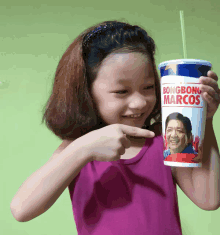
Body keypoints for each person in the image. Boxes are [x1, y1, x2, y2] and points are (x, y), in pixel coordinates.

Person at [10, 20, 220, 235]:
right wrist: (84, 148)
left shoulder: (164, 140)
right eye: (121, 91)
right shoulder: (77, 149)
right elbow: (21, 209)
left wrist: (206, 120)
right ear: (87, 92)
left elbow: (209, 199)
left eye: (148, 87)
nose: (139, 102)